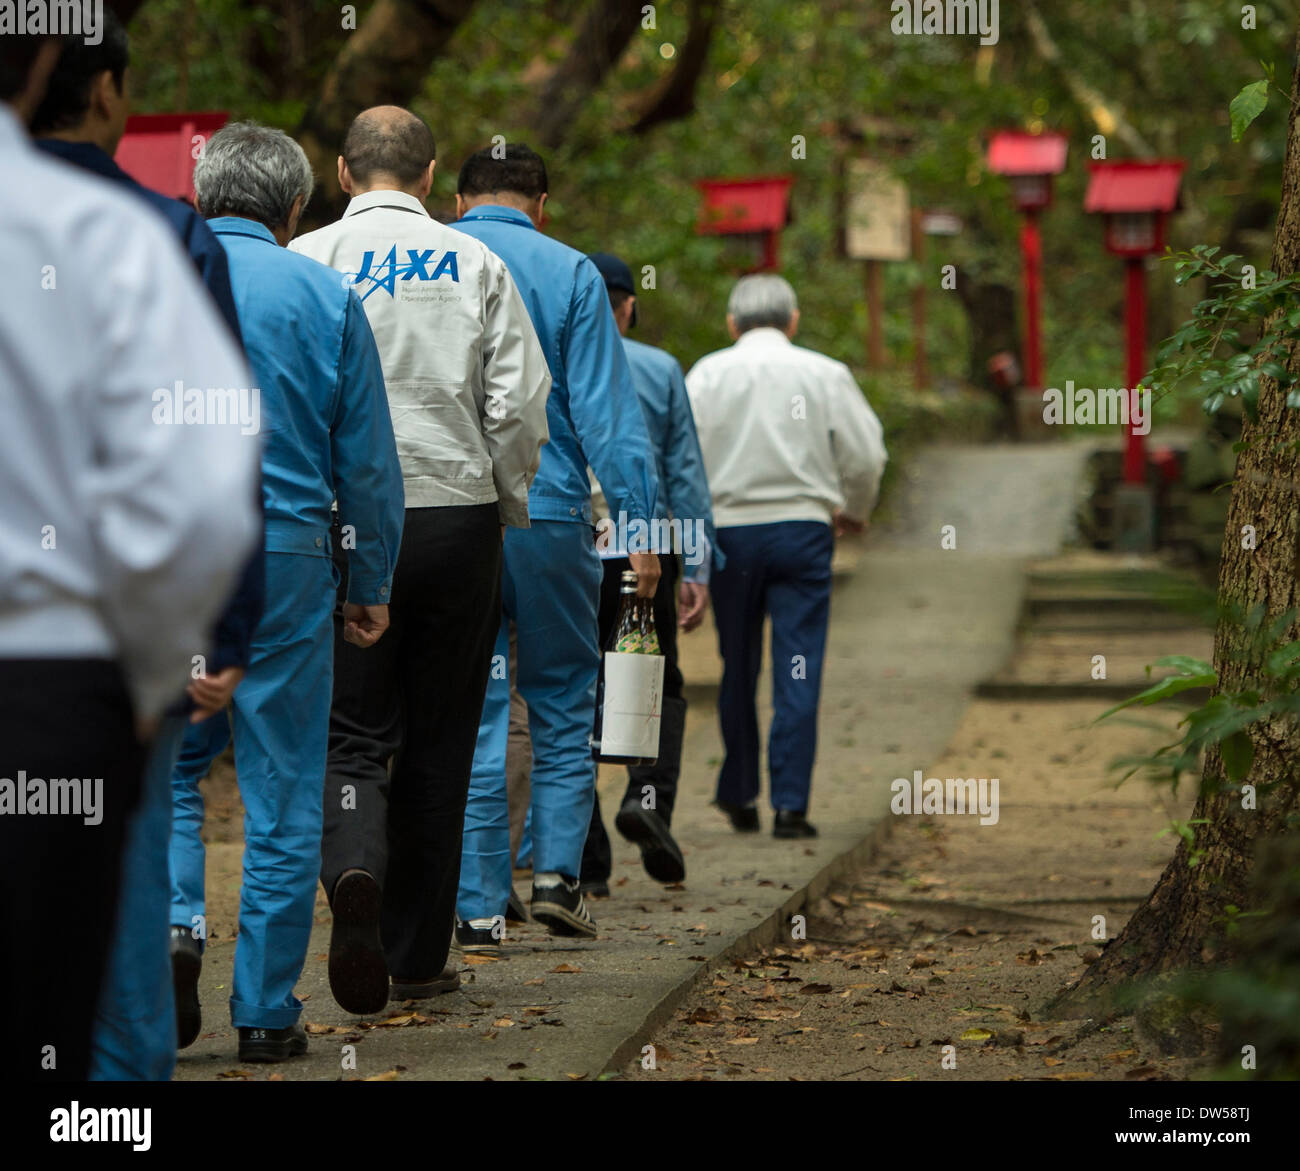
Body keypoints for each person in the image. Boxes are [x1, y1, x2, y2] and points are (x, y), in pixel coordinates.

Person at [0, 31, 261, 1081]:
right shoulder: (133, 232)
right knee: (93, 948)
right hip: (63, 661)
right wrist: (162, 663)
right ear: (98, 86)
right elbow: (201, 483)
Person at [289, 106, 550, 1013]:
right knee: (443, 736)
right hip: (455, 513)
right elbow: (520, 399)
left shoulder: (307, 260)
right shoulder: (479, 262)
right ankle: (415, 952)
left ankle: (354, 869)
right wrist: (504, 497)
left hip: (341, 522)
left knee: (354, 731)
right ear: (434, 176)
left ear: (343, 171)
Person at [168, 121, 405, 1062]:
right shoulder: (326, 292)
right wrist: (370, 577)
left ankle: (176, 930)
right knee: (283, 787)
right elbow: (370, 463)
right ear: (296, 208)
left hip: (169, 552)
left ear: (198, 199)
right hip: (293, 556)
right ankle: (265, 1012)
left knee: (173, 775)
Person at [451, 143, 662, 948]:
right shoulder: (573, 272)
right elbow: (611, 418)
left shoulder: (439, 259)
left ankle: (474, 904)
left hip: (453, 514)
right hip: (553, 512)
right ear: (543, 204)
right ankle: (555, 879)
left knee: (474, 704)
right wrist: (642, 533)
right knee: (564, 696)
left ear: (457, 198)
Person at [686, 275, 887, 837]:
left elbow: (683, 458)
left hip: (729, 534)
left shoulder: (707, 373)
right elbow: (866, 453)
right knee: (800, 665)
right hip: (803, 530)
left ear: (733, 324)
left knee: (738, 664)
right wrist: (853, 508)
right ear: (793, 321)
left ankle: (740, 792)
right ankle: (792, 806)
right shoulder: (825, 373)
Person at [579, 251, 717, 895]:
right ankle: (648, 800)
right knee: (656, 679)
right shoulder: (659, 369)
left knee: (572, 689)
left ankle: (585, 854)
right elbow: (683, 472)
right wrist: (698, 564)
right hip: (649, 550)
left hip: (571, 546)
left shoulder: (557, 360)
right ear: (629, 305)